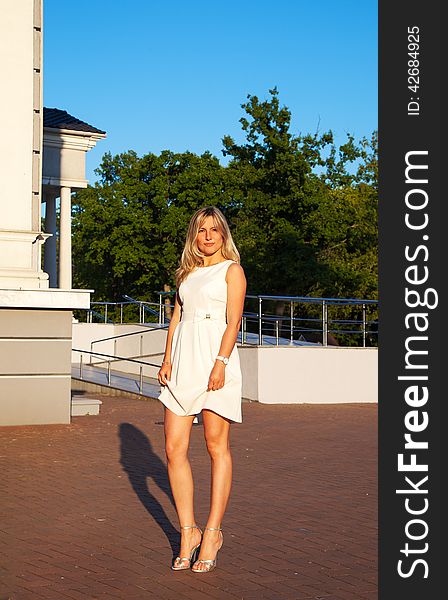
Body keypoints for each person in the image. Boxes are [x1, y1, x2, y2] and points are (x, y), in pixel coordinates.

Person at [157, 205, 246, 573]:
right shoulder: (187, 273)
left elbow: (234, 320)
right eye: (201, 230)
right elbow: (177, 316)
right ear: (194, 235)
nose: (207, 236)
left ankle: (212, 532)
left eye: (214, 230)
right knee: (173, 448)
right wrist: (166, 359)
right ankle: (188, 531)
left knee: (215, 445)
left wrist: (221, 364)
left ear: (223, 234)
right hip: (182, 361)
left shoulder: (232, 271)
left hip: (215, 359)